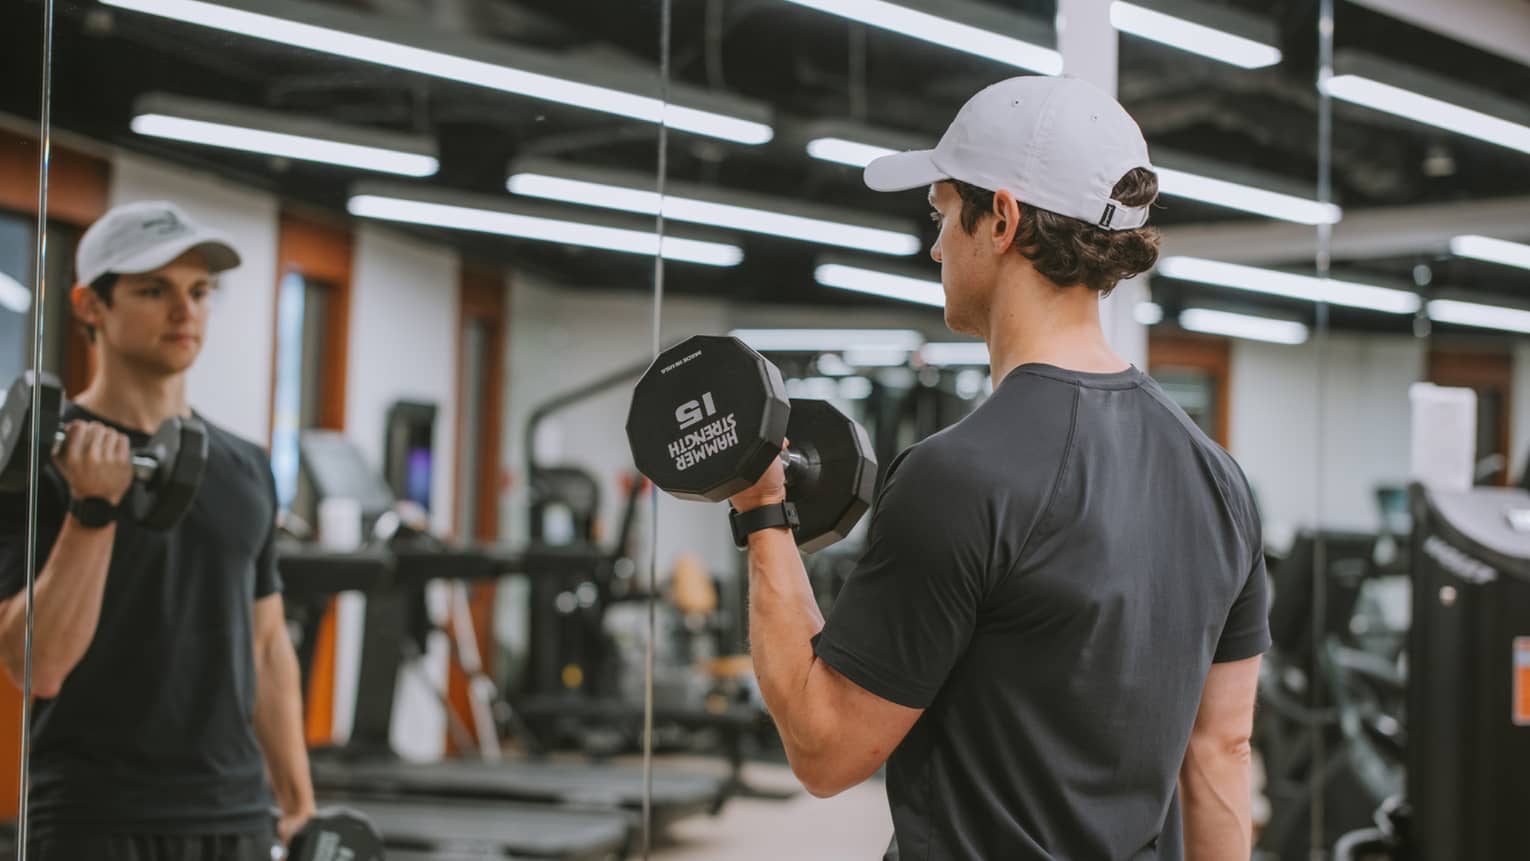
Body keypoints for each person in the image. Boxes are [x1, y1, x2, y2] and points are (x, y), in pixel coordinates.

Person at [728, 76, 1269, 860]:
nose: (936, 246)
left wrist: (761, 508)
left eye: (944, 213)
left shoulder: (955, 476)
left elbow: (825, 745)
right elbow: (1222, 751)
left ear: (1003, 220)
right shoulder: (1220, 479)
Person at [0, 201, 315, 860]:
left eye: (199, 291)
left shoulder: (246, 466)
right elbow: (37, 665)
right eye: (154, 290)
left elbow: (266, 646)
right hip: (94, 815)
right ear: (90, 305)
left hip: (234, 814)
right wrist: (93, 508)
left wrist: (298, 804)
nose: (185, 311)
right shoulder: (39, 465)